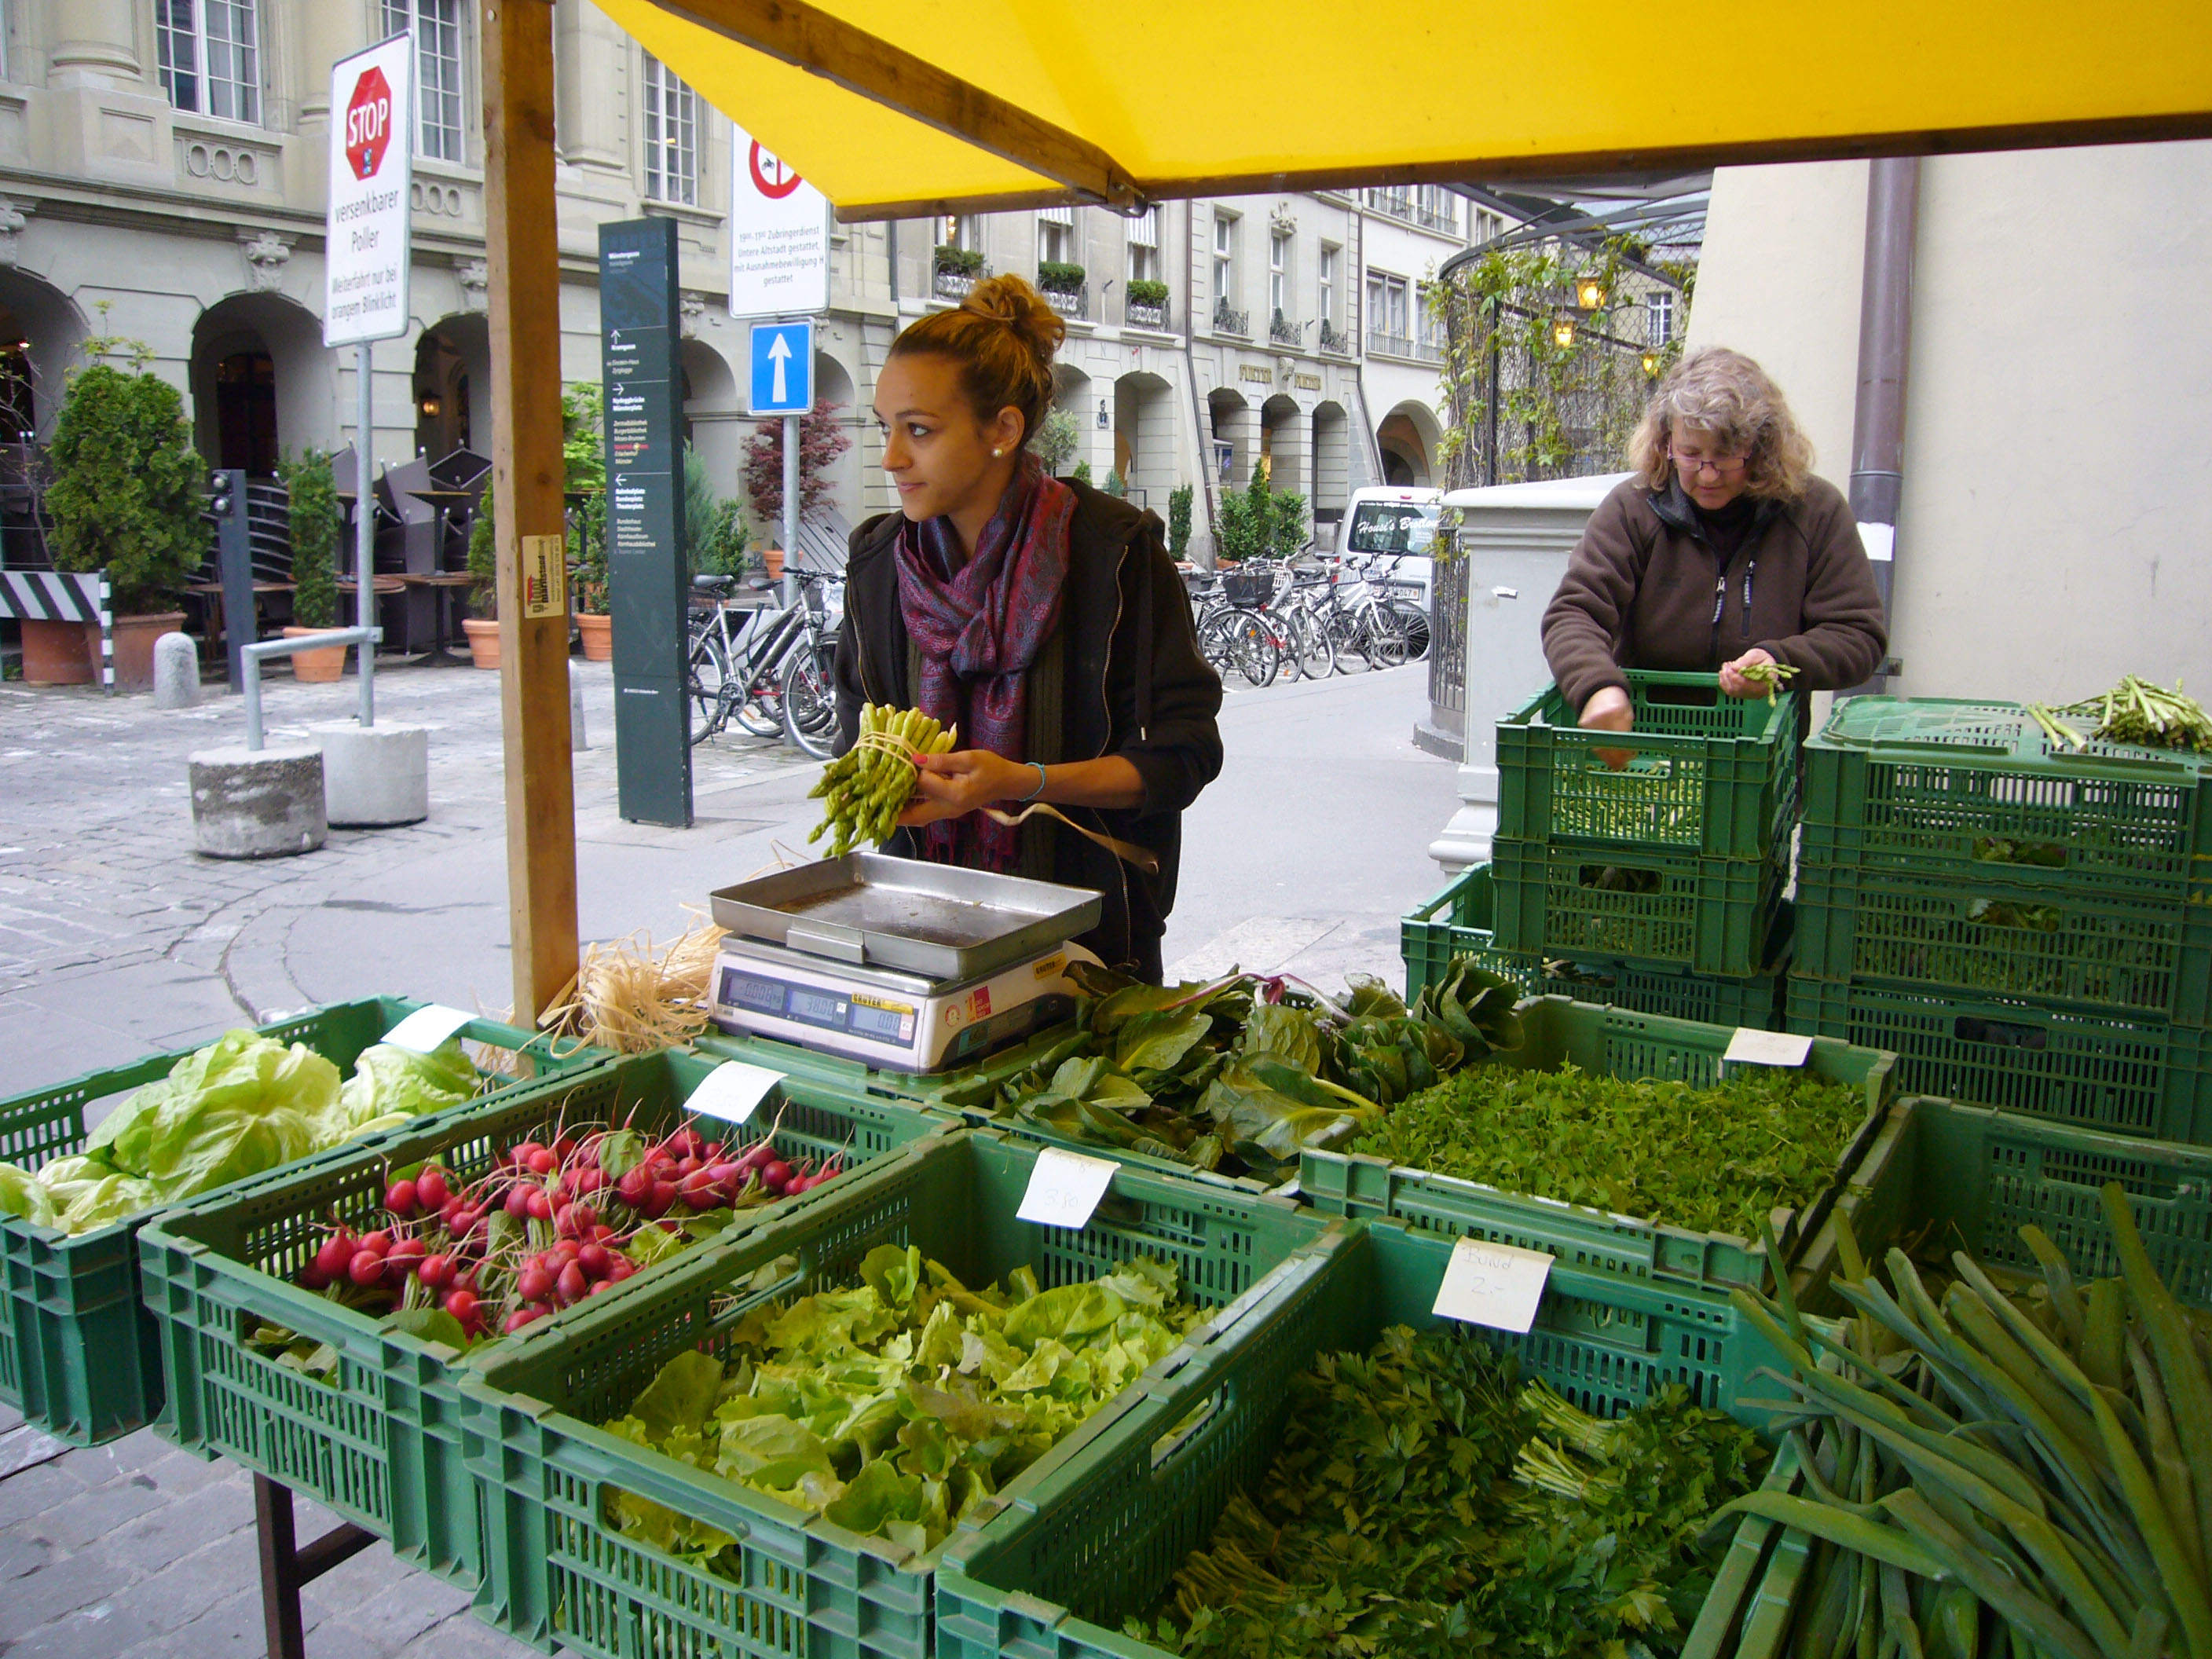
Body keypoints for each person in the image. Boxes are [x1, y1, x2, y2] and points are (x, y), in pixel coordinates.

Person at [833, 275, 1223, 982]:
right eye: (884, 426)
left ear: (1003, 430)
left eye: (918, 429)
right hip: (921, 935)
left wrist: (1022, 780)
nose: (891, 455)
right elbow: (851, 733)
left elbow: (1185, 756)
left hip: (1089, 950)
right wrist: (894, 783)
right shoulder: (877, 566)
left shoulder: (1115, 553)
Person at [1541, 346, 1888, 743]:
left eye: (1725, 457)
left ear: (1762, 449)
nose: (1707, 475)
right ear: (1665, 443)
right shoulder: (1632, 508)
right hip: (1648, 747)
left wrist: (1780, 661)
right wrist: (1597, 686)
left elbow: (1859, 636)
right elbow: (1574, 613)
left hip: (1761, 758)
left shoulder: (1814, 512)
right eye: (1690, 455)